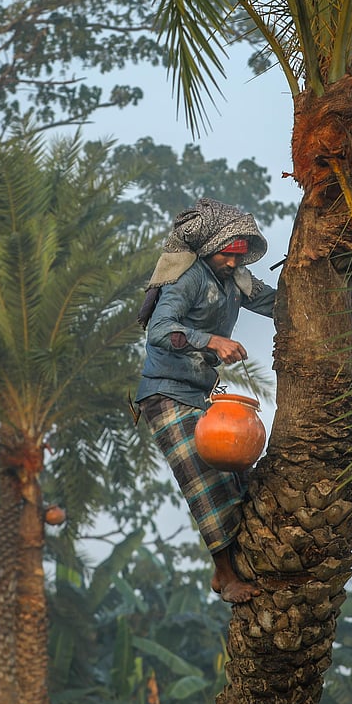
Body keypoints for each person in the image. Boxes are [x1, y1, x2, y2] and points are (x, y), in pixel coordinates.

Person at [135, 198, 277, 603]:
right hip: (164, 395)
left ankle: (231, 568)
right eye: (226, 256)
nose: (233, 264)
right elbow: (160, 331)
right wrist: (212, 341)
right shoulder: (188, 278)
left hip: (197, 396)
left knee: (236, 479)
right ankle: (225, 574)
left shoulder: (235, 281)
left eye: (238, 257)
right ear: (210, 248)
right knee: (205, 482)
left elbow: (274, 303)